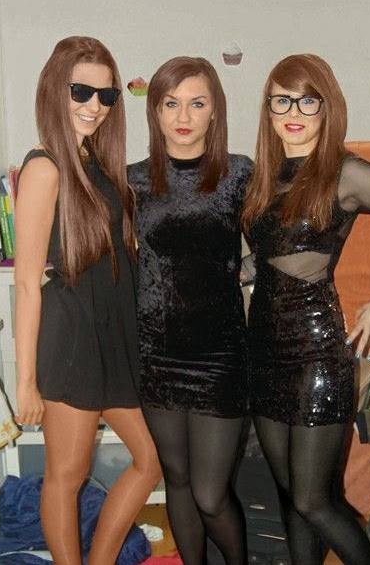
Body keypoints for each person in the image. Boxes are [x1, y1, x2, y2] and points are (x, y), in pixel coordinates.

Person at [242, 53, 370, 565]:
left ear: (327, 107)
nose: (294, 112)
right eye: (282, 100)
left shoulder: (346, 172)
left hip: (316, 356)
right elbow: (268, 258)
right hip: (262, 354)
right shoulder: (264, 176)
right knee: (291, 500)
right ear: (268, 109)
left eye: (307, 101)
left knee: (313, 500)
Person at [14, 36, 161, 565]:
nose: (94, 106)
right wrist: (26, 381)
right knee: (67, 474)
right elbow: (27, 282)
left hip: (112, 339)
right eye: (81, 91)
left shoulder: (97, 163)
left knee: (150, 460)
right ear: (56, 89)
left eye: (106, 96)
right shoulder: (45, 167)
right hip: (73, 339)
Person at [128, 56, 252, 565]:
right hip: (157, 353)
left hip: (220, 355)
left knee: (210, 494)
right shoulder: (133, 181)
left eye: (197, 103)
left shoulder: (239, 173)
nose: (183, 116)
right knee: (176, 479)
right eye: (171, 103)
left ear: (214, 111)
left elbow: (276, 242)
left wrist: (245, 269)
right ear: (155, 112)